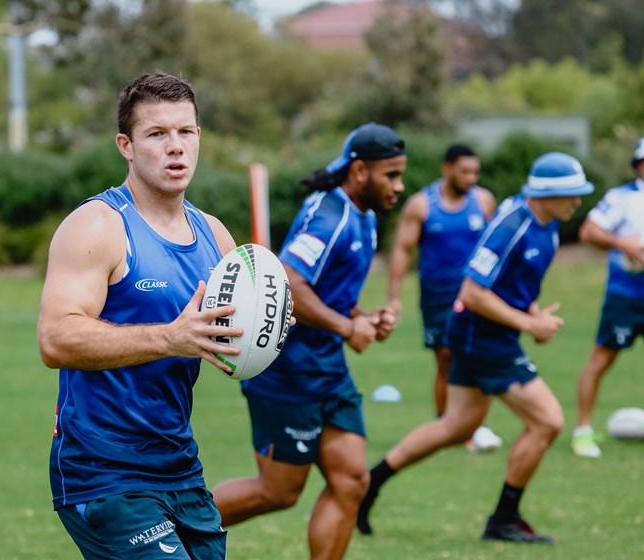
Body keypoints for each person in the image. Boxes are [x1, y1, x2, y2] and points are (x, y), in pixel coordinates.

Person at [37, 73, 243, 559]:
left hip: (178, 464)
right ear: (126, 146)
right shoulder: (98, 225)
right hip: (102, 471)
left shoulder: (214, 236)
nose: (176, 147)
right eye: (157, 134)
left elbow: (234, 339)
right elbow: (56, 338)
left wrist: (267, 330)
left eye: (185, 132)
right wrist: (170, 339)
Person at [357, 152, 595, 544]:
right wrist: (530, 323)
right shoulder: (512, 225)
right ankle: (504, 518)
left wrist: (532, 313)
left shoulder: (548, 225)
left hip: (490, 336)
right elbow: (473, 292)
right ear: (546, 193)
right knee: (548, 421)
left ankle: (369, 484)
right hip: (480, 338)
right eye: (572, 193)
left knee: (455, 427)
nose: (578, 200)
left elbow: (515, 288)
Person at [212, 123, 406, 560]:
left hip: (328, 371)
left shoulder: (364, 217)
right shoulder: (329, 217)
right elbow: (289, 282)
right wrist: (346, 328)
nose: (400, 185)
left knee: (353, 481)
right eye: (391, 175)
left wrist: (364, 318)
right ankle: (170, 526)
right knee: (279, 493)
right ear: (360, 172)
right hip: (289, 373)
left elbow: (327, 293)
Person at [387, 144, 502, 452]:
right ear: (447, 168)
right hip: (437, 296)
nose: (471, 178)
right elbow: (402, 250)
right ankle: (445, 423)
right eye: (465, 171)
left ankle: (474, 425)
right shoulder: (422, 205)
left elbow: (497, 245)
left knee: (479, 355)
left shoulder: (484, 200)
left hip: (476, 294)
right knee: (445, 359)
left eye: (475, 172)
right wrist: (394, 297)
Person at [571, 138, 644, 458]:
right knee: (601, 359)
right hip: (625, 295)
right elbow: (588, 232)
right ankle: (583, 431)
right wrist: (623, 244)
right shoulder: (622, 199)